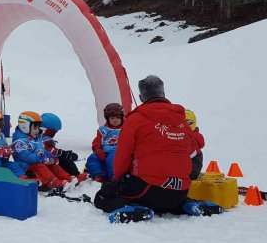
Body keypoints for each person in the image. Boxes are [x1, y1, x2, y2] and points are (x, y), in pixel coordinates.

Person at [93, 75, 223, 222]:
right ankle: (187, 205)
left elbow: (122, 156)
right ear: (163, 94)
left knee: (102, 196)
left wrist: (117, 181)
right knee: (168, 200)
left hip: (148, 188)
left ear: (141, 97)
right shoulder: (181, 120)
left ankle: (134, 207)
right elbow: (194, 150)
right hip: (180, 191)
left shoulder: (134, 120)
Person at [12, 111, 76, 191]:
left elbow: (42, 150)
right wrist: (40, 158)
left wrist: (50, 157)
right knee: (40, 166)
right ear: (25, 127)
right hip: (26, 167)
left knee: (52, 164)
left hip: (37, 162)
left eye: (38, 128)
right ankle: (54, 182)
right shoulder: (19, 142)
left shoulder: (36, 139)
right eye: (35, 128)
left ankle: (67, 178)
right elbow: (25, 156)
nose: (37, 131)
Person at [40, 112, 88, 183]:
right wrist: (65, 154)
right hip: (45, 163)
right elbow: (51, 150)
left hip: (46, 162)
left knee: (61, 158)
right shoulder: (44, 139)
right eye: (53, 132)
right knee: (64, 159)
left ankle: (69, 176)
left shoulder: (38, 138)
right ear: (46, 130)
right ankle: (75, 175)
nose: (54, 135)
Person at [86, 103, 124, 182]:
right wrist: (98, 150)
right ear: (107, 118)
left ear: (122, 117)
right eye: (112, 118)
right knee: (92, 159)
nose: (115, 120)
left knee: (111, 159)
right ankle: (99, 175)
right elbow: (97, 141)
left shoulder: (125, 128)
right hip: (104, 151)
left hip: (117, 151)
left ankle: (113, 177)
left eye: (117, 117)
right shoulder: (103, 130)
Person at [185, 109, 205, 180]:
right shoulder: (195, 136)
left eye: (187, 122)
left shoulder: (192, 139)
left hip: (191, 169)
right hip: (193, 167)